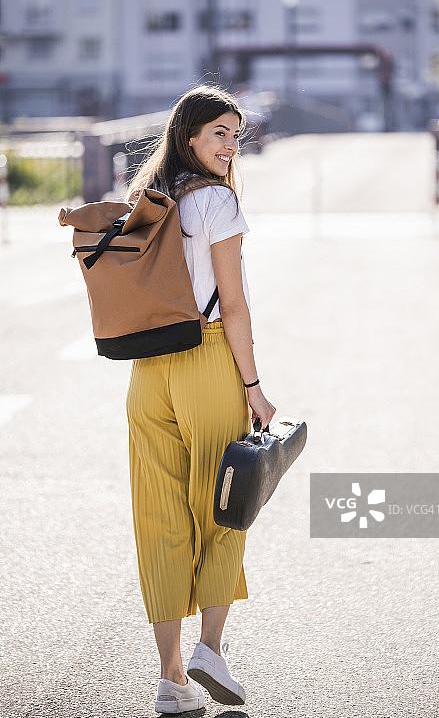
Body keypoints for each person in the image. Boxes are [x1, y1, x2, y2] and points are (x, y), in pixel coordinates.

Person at [125, 85, 276, 714]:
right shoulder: (216, 200)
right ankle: (206, 650)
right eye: (219, 132)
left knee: (158, 515)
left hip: (146, 370)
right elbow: (234, 305)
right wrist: (253, 388)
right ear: (189, 134)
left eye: (236, 135)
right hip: (206, 359)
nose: (230, 145)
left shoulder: (147, 199)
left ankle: (170, 679)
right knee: (224, 501)